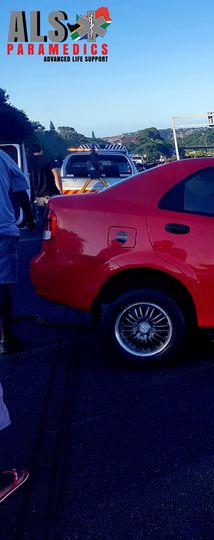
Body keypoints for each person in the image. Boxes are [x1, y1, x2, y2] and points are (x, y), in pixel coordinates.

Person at [0, 149, 33, 503]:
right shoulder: (1, 159)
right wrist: (26, 213)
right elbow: (21, 187)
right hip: (1, 229)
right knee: (2, 285)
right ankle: (6, 336)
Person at [28, 143, 61, 223]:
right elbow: (57, 176)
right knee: (53, 219)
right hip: (50, 194)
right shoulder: (49, 159)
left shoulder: (27, 162)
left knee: (39, 219)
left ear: (31, 151)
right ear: (41, 150)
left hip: (35, 196)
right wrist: (60, 190)